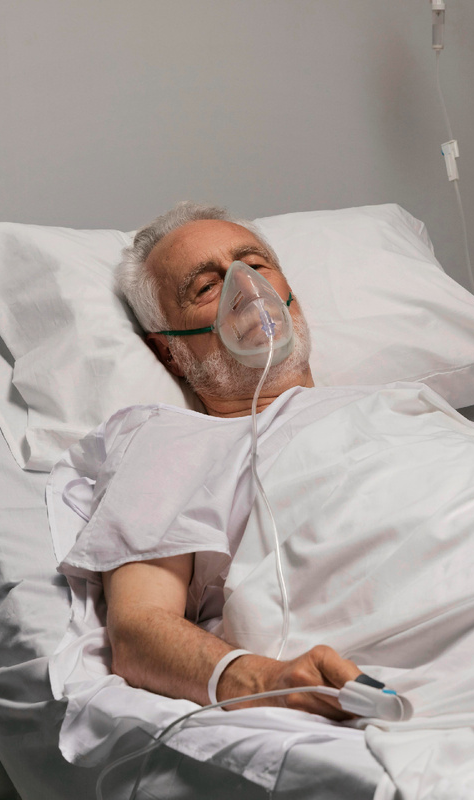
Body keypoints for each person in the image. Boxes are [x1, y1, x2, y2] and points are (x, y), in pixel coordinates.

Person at [103, 201, 363, 721]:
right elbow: (137, 630)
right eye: (206, 286)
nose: (247, 289)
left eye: (256, 264)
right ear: (169, 353)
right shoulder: (173, 444)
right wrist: (268, 681)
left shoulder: (405, 404)